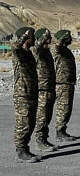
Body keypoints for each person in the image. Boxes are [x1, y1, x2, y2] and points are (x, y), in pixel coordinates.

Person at [12, 27, 41, 162]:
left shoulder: (28, 53)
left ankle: (25, 148)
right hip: (22, 94)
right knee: (23, 123)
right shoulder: (19, 53)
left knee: (31, 122)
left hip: (32, 92)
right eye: (32, 36)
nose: (34, 38)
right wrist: (23, 36)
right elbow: (14, 47)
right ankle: (20, 151)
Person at [32, 28, 58, 152]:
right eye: (47, 37)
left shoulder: (46, 51)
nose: (50, 39)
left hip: (50, 88)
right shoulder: (36, 50)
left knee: (47, 116)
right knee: (41, 116)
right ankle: (39, 141)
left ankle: (44, 139)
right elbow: (36, 47)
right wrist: (42, 37)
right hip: (41, 89)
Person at [53, 29, 78, 142]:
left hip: (68, 82)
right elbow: (56, 48)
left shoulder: (65, 50)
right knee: (63, 108)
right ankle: (59, 132)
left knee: (66, 109)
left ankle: (62, 130)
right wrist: (60, 40)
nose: (71, 39)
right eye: (68, 37)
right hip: (61, 83)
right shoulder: (58, 49)